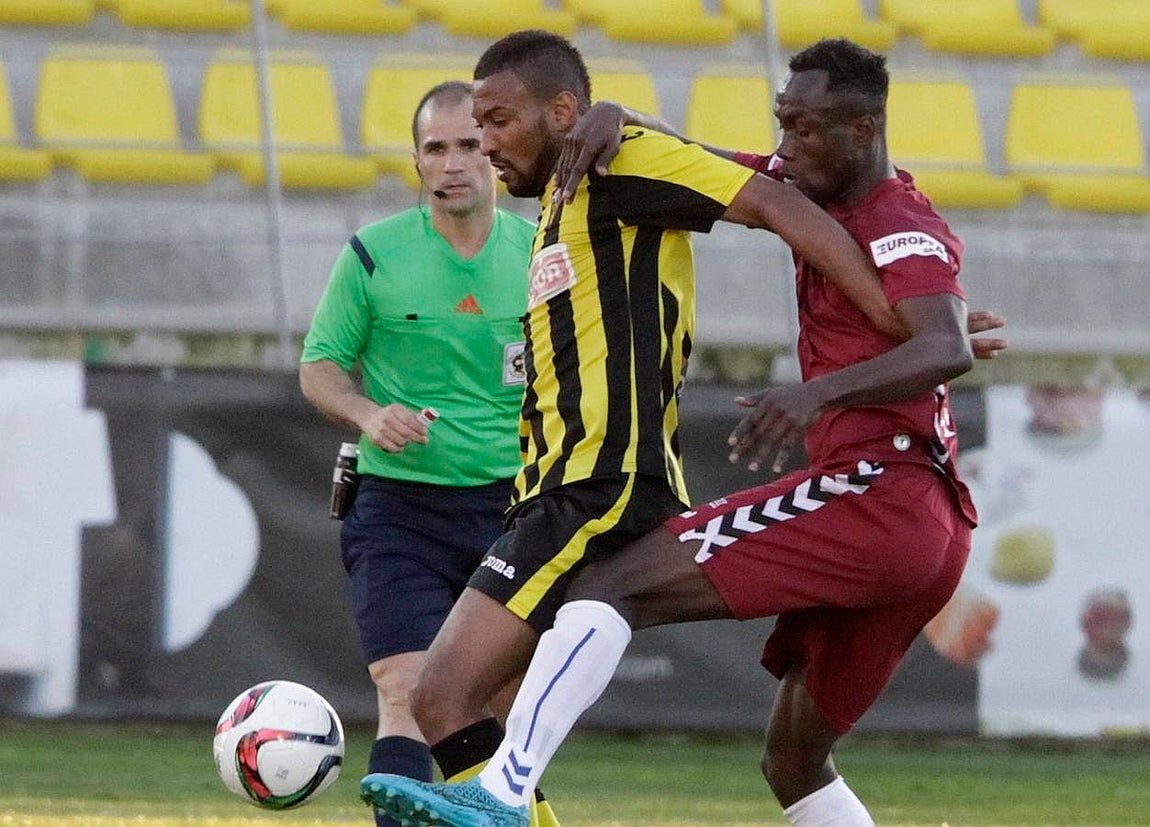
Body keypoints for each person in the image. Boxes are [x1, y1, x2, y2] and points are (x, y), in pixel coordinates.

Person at [360, 31, 1002, 827]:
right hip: (922, 524)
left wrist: (829, 382)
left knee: (590, 598)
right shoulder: (793, 176)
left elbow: (944, 345)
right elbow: (700, 156)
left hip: (876, 492)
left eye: (804, 129)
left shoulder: (896, 214)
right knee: (794, 761)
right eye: (782, 123)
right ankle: (501, 791)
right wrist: (617, 111)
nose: (785, 145)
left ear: (862, 131)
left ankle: (503, 789)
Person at [298, 81, 544, 827]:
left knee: (499, 714)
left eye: (469, 144)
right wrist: (370, 413)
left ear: (495, 153)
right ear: (416, 161)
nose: (454, 162)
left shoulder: (544, 256)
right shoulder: (374, 256)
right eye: (436, 148)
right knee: (406, 690)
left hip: (514, 513)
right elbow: (319, 367)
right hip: (398, 508)